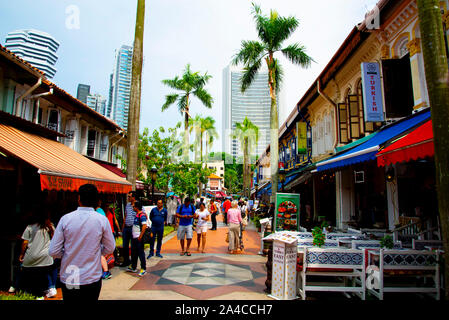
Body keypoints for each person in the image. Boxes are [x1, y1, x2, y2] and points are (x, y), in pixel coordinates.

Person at [49, 184, 115, 301]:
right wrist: (95, 252)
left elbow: (53, 251)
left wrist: (68, 253)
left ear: (79, 198)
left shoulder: (66, 219)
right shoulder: (101, 220)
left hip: (70, 275)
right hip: (92, 276)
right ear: (96, 200)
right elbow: (110, 248)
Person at [19, 203, 55, 299]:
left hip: (31, 258)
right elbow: (55, 240)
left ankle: (21, 289)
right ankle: (48, 289)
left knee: (26, 270)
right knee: (43, 273)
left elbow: (25, 243)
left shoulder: (30, 227)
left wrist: (21, 255)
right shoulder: (50, 226)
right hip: (46, 259)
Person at [128, 201, 147, 276]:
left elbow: (144, 226)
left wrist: (140, 236)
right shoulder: (137, 215)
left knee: (141, 253)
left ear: (136, 207)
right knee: (134, 253)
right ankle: (133, 266)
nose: (133, 208)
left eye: (134, 206)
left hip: (138, 238)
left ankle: (143, 268)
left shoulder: (141, 215)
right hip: (134, 237)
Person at [96, 200, 112, 280]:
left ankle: (106, 271)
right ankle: (105, 271)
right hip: (100, 236)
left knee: (100, 254)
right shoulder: (99, 211)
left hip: (99, 236)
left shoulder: (99, 211)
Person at [120, 191, 137, 267]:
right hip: (126, 228)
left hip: (133, 228)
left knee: (133, 246)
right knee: (125, 245)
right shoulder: (127, 205)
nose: (128, 198)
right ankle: (126, 260)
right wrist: (123, 228)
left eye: (129, 196)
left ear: (133, 197)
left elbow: (143, 215)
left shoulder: (138, 206)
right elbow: (125, 216)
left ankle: (133, 262)